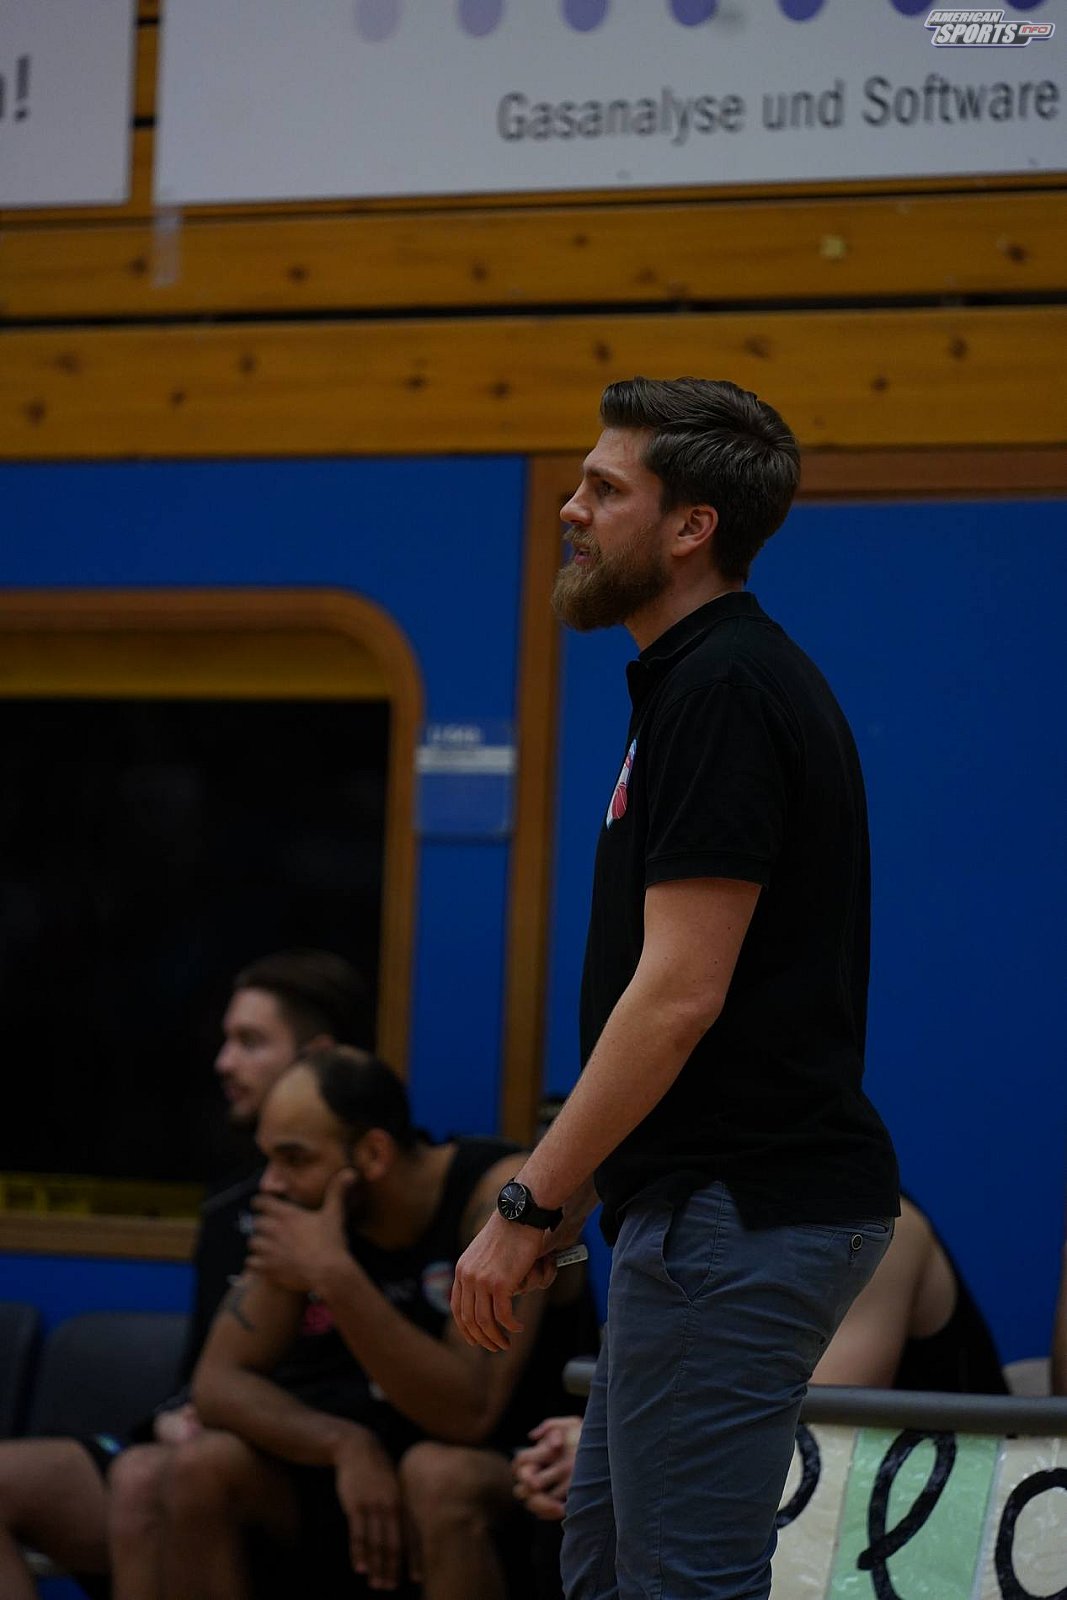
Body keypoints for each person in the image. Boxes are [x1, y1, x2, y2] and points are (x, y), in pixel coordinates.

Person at [452, 376, 900, 1600]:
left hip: (735, 1213)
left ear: (691, 526)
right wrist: (579, 1190)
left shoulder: (723, 688)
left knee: (677, 1586)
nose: (569, 508)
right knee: (603, 1571)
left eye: (604, 489)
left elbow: (676, 998)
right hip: (705, 1210)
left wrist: (530, 1201)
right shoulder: (697, 682)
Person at [140, 1044, 596, 1600]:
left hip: (520, 1465)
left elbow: (468, 1412)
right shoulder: (309, 1207)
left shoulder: (497, 1197)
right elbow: (217, 1383)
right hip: (371, 1464)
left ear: (374, 1154)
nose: (270, 1185)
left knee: (436, 1475)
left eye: (294, 1159)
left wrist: (334, 1274)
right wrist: (343, 1445)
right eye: (268, 1160)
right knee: (199, 1468)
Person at [0, 947, 367, 1600]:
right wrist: (175, 1416)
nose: (224, 1063)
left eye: (250, 1041)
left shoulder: (371, 1197)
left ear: (317, 1055)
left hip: (304, 1468)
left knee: (160, 1476)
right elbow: (197, 1376)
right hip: (206, 1441)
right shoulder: (230, 1212)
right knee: (138, 1465)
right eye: (226, 1040)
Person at [513, 1194, 1007, 1536]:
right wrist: (589, 1444)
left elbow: (810, 1434)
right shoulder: (689, 1230)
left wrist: (611, 1446)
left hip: (933, 1524)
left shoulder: (874, 1229)